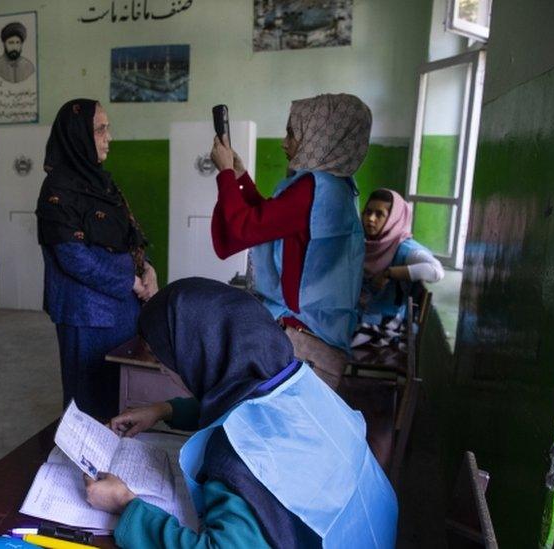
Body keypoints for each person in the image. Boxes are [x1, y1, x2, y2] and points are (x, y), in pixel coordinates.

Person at [85, 278, 398, 548]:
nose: (165, 370)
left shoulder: (238, 458)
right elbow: (250, 409)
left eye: (163, 357)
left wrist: (125, 505)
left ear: (197, 354)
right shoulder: (298, 383)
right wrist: (165, 409)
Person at [209, 93, 372, 389]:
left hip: (301, 337)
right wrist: (241, 177)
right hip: (322, 330)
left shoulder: (312, 188)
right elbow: (270, 221)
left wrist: (224, 176)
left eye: (292, 133)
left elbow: (244, 229)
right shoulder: (338, 187)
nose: (285, 143)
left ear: (319, 136)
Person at [36, 98, 158, 420]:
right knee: (88, 404)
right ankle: (86, 466)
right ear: (77, 135)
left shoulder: (103, 183)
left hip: (122, 308)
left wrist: (147, 270)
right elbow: (72, 257)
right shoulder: (57, 191)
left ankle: (114, 466)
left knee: (118, 395)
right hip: (86, 314)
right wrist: (129, 281)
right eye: (99, 129)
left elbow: (129, 235)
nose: (109, 137)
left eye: (107, 128)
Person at [353, 188, 444, 347]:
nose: (371, 219)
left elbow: (436, 271)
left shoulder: (404, 249)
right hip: (360, 315)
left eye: (379, 214)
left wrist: (389, 273)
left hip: (385, 322)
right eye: (368, 212)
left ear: (394, 219)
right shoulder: (365, 245)